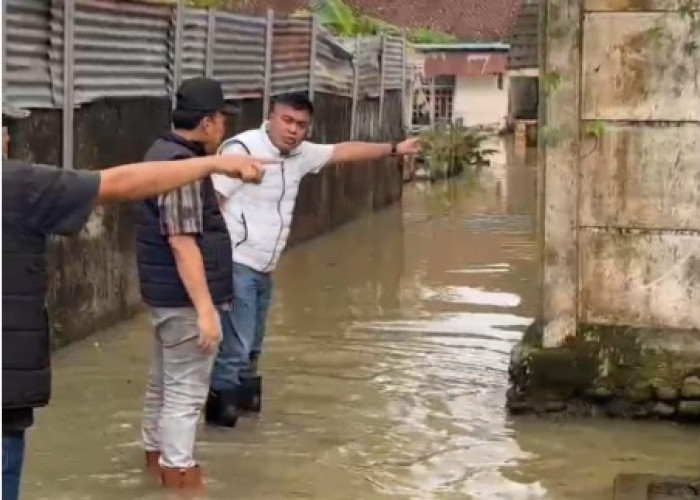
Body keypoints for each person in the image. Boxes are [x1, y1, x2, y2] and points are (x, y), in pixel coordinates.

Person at [1, 104, 265, 500]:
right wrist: (214, 164)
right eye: (4, 128)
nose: (8, 137)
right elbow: (123, 184)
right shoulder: (17, 184)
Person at [206, 92, 420, 427]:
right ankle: (220, 425)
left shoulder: (301, 154)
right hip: (236, 262)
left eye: (301, 125)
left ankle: (246, 427)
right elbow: (213, 203)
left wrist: (393, 149)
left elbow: (344, 152)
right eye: (287, 121)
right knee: (236, 348)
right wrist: (209, 266)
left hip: (265, 267)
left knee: (253, 349)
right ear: (271, 117)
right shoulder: (242, 150)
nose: (293, 130)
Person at [134, 77, 270, 489]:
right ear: (208, 123)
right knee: (185, 394)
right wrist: (207, 311)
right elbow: (181, 242)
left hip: (164, 297)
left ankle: (156, 466)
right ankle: (180, 477)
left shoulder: (163, 153)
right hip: (184, 301)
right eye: (221, 121)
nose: (224, 130)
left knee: (164, 384)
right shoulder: (182, 167)